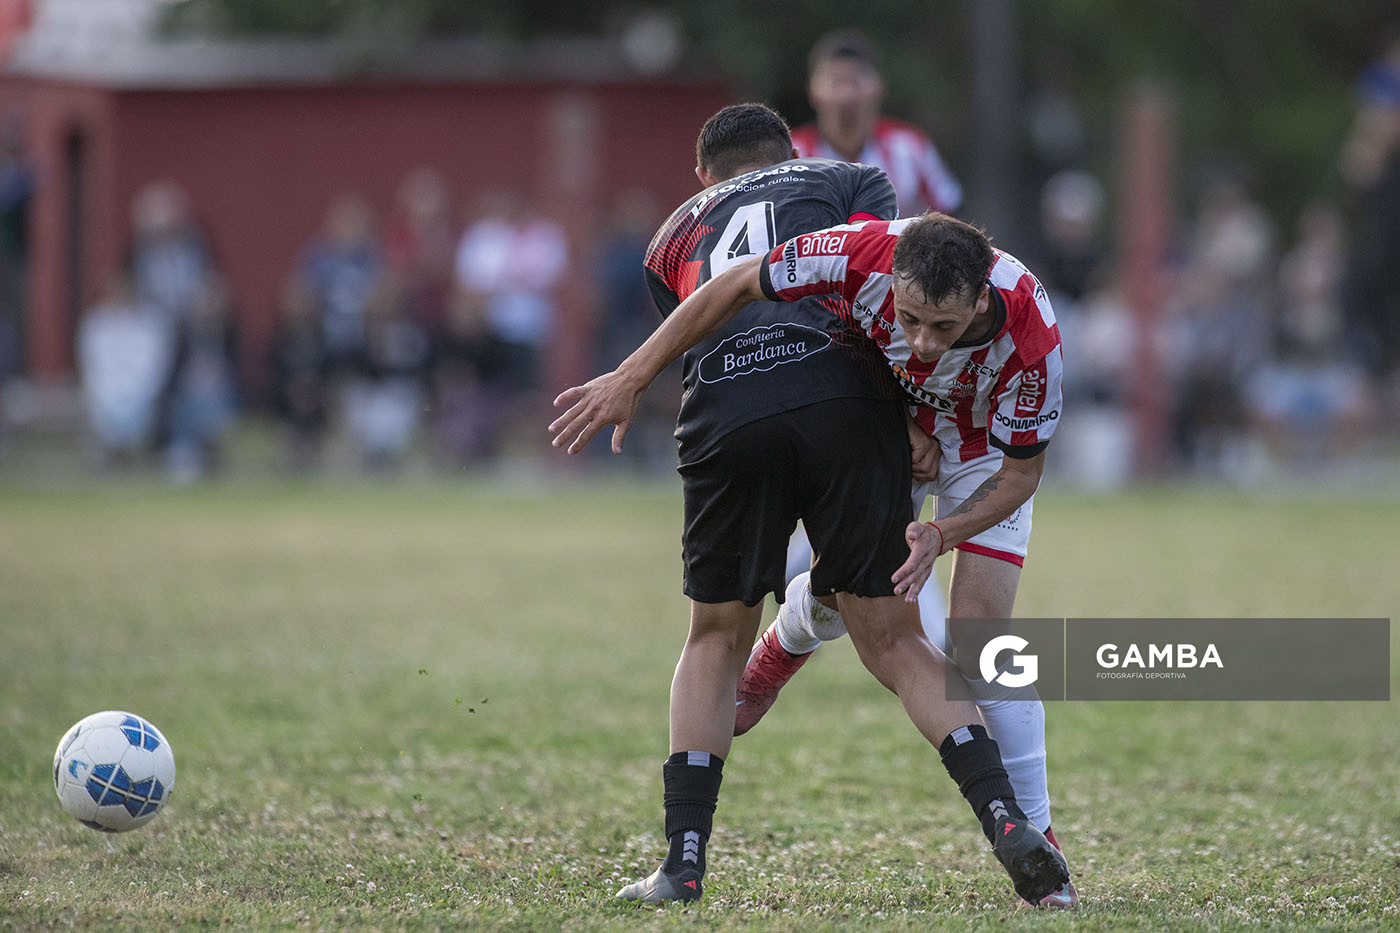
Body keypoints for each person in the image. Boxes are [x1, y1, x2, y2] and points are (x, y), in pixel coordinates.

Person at [549, 104, 1068, 908]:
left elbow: (717, 304)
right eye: (916, 319)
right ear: (796, 149)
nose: (925, 336)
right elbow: (838, 309)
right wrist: (899, 418)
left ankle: (685, 862)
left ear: (701, 179)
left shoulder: (1034, 334)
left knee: (738, 631)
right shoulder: (859, 204)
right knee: (889, 629)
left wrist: (631, 376)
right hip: (861, 409)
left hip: (948, 445)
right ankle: (1003, 816)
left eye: (944, 324)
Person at [792, 29, 963, 218]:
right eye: (835, 82)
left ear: (879, 87)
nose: (846, 95)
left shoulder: (910, 147)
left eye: (855, 81)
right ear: (812, 90)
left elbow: (948, 217)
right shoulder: (792, 154)